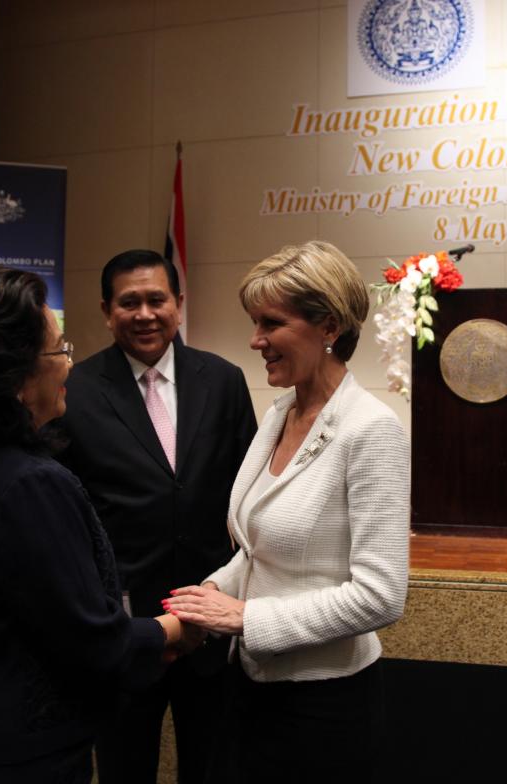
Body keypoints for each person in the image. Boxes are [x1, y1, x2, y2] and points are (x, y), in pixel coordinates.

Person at [0, 265, 198, 782]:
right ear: (14, 377)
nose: (68, 367)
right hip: (13, 755)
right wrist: (182, 626)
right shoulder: (30, 484)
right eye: (60, 351)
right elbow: (94, 642)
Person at [166, 240, 410, 784]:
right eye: (255, 323)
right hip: (250, 686)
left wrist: (246, 619)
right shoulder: (280, 412)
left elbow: (381, 596)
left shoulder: (371, 430)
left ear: (328, 326)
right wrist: (206, 599)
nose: (255, 341)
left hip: (324, 706)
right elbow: (259, 549)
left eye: (270, 323)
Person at [56, 249, 257, 784]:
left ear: (178, 303)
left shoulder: (225, 381)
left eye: (156, 300)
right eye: (129, 303)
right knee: (124, 767)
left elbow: (250, 495)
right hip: (122, 626)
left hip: (211, 621)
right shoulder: (71, 391)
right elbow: (63, 508)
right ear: (106, 310)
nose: (144, 313)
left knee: (213, 766)